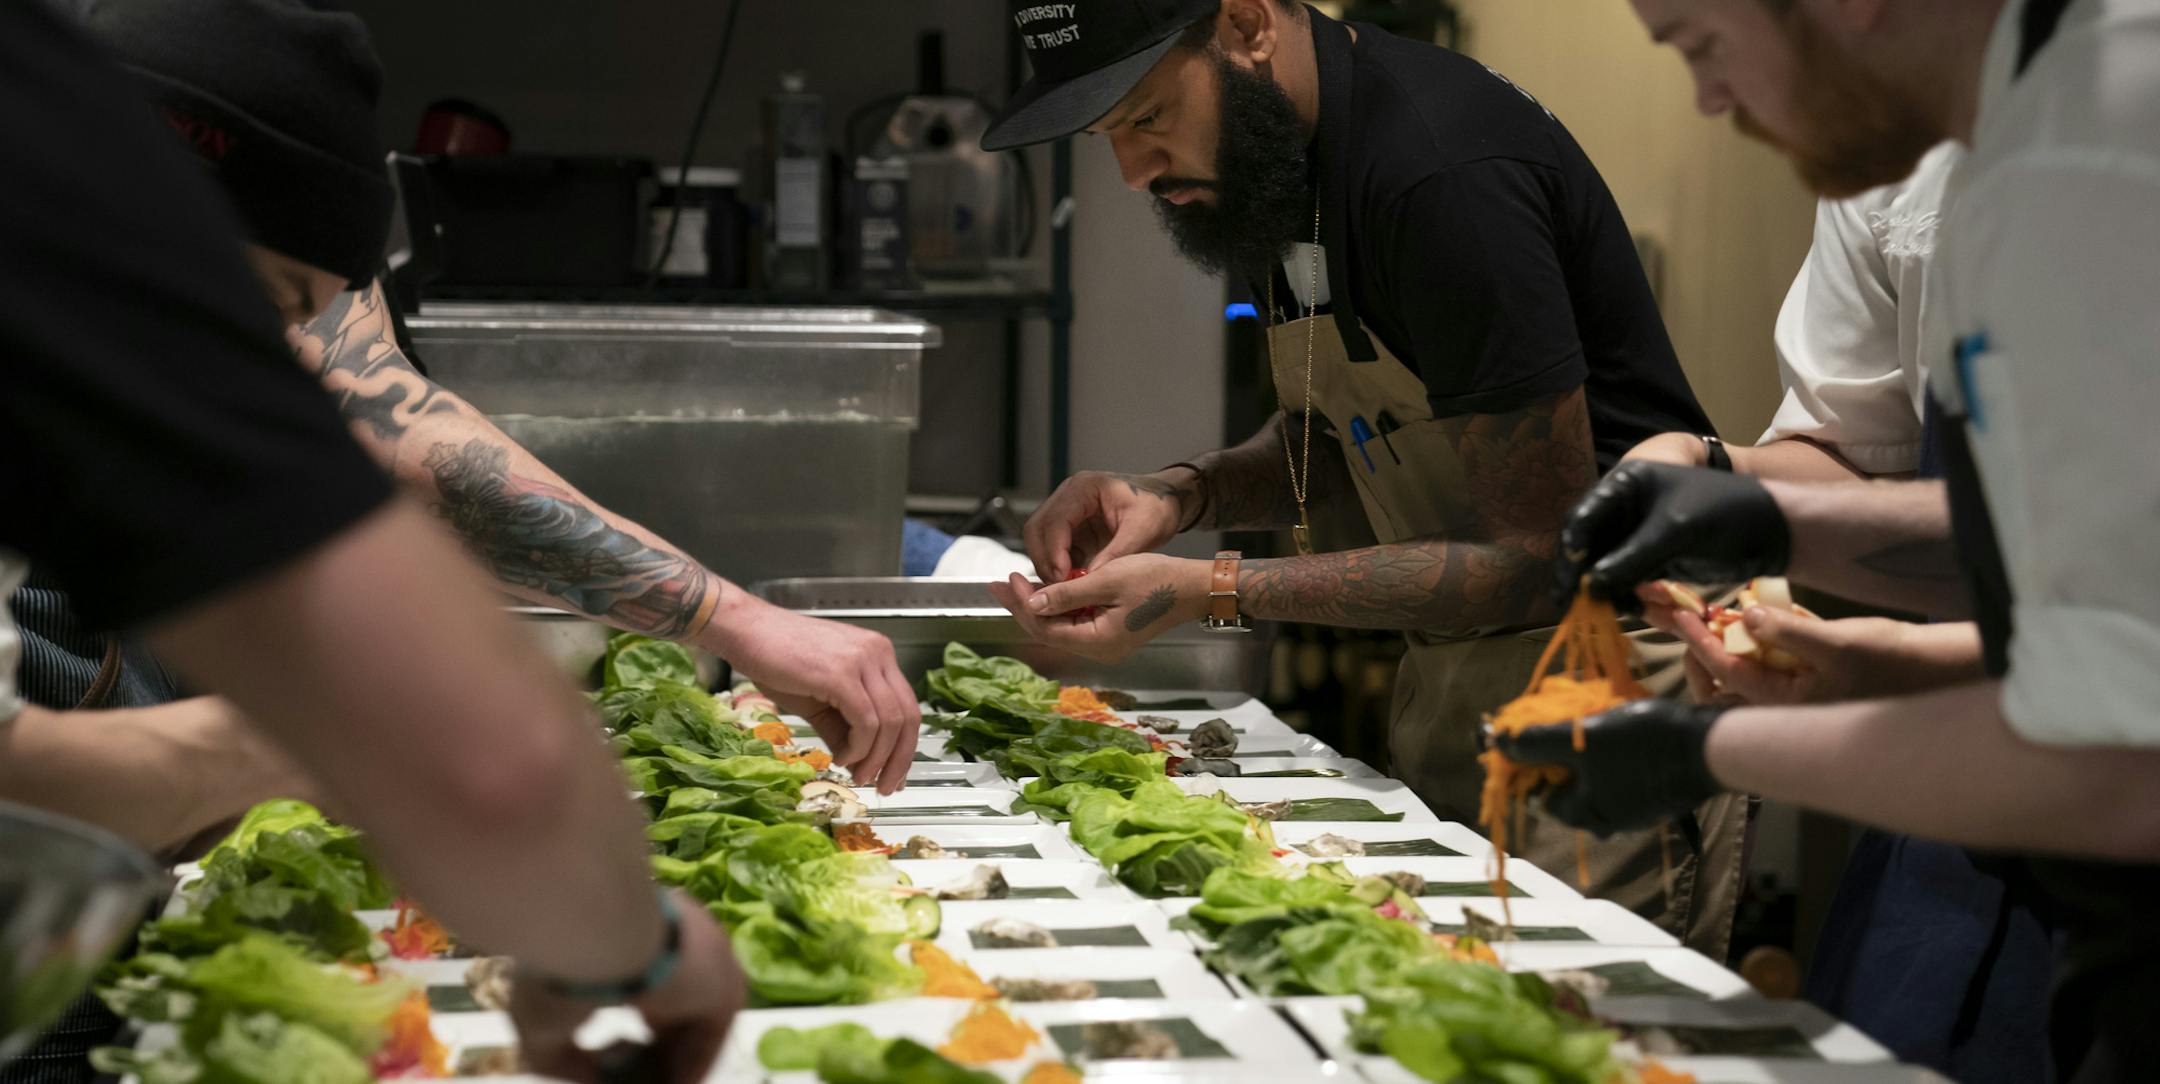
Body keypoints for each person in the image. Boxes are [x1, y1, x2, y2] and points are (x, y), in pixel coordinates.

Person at [1, 2, 743, 1080]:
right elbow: (499, 766)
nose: (287, 367)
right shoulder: (87, 227)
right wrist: (634, 949)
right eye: (264, 306)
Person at [977, 0, 1741, 950]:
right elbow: (1344, 431)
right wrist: (1181, 494)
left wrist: (1210, 590)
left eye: (1147, 117)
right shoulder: (1280, 166)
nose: (1134, 172)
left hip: (1605, 690)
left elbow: (1532, 557)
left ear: (1248, 23)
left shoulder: (1439, 173)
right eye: (1109, 136)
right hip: (1454, 683)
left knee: (1576, 1036)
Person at [1501, 0, 2160, 1077]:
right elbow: (2092, 576)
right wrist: (1772, 521)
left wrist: (1703, 752)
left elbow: (2122, 752)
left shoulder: (2103, 151)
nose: (1711, 102)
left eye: (1701, 47)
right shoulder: (2013, 142)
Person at [1623, 138, 2052, 1081]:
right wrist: (1719, 477)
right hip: (1943, 818)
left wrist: (1895, 664)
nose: (1714, 107)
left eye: (1709, 45)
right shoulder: (1887, 160)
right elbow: (1868, 460)